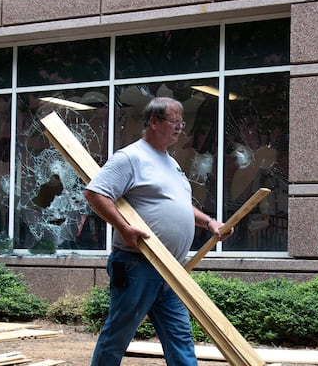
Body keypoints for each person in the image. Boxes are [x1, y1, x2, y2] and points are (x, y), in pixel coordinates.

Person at [84, 97, 232, 366]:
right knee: (118, 335)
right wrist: (124, 228)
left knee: (180, 336)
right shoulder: (131, 157)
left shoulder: (171, 162)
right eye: (174, 121)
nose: (180, 128)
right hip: (137, 264)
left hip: (171, 269)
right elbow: (96, 193)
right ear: (153, 121)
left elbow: (178, 206)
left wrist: (209, 222)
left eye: (181, 122)